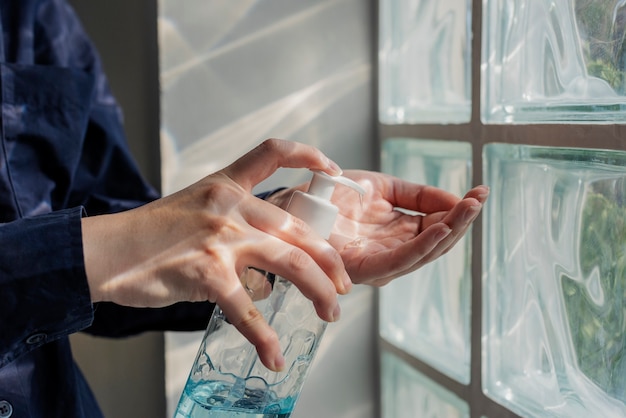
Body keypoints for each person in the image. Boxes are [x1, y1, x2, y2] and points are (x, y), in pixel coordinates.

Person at [0, 0, 489, 417]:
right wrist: (99, 251)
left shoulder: (37, 17)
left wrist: (268, 226)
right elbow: (108, 245)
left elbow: (106, 230)